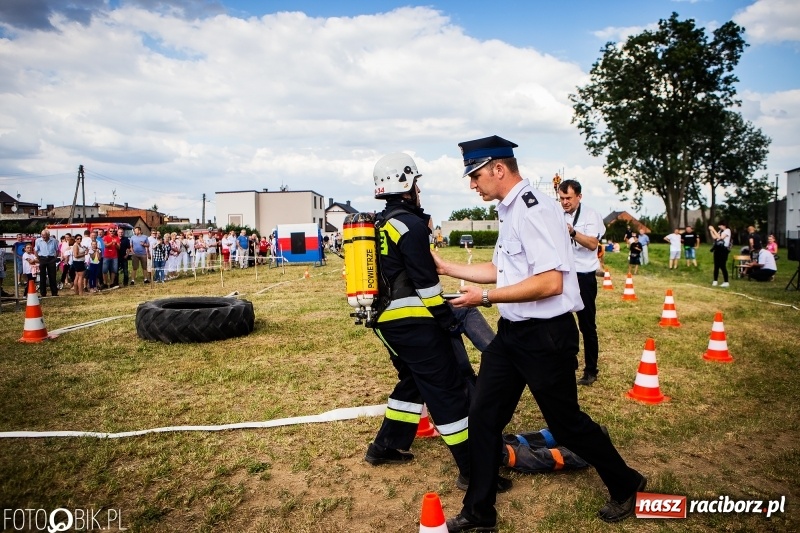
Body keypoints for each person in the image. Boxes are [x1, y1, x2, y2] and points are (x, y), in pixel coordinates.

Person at [434, 135, 645, 531]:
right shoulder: (509, 210)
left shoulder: (534, 209)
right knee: (481, 416)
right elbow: (505, 270)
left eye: (475, 175)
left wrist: (486, 298)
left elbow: (549, 282)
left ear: (499, 169)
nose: (472, 184)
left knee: (566, 425)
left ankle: (627, 483)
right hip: (513, 334)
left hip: (546, 337)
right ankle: (480, 512)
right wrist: (448, 268)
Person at [363, 152, 473, 493]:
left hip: (385, 320)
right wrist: (446, 319)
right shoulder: (409, 225)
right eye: (416, 183)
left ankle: (385, 447)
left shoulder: (380, 224)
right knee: (446, 389)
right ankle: (473, 470)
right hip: (413, 321)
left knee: (412, 380)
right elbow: (425, 282)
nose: (419, 190)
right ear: (406, 183)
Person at [558, 179, 605, 386]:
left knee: (587, 325)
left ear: (579, 196)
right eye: (561, 198)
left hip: (584, 276)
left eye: (568, 198)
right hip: (564, 274)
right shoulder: (556, 213)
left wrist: (573, 232)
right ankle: (567, 365)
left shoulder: (591, 215)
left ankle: (591, 370)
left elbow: (593, 243)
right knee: (561, 322)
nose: (565, 202)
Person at [34, 229, 59, 297]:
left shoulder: (53, 240)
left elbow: (57, 250)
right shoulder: (38, 240)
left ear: (48, 235)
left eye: (45, 236)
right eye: (42, 236)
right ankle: (43, 293)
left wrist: (55, 258)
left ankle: (54, 292)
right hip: (42, 258)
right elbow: (36, 250)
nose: (43, 237)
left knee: (52, 276)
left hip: (51, 258)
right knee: (42, 276)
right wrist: (38, 258)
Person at [709, 222, 732, 287]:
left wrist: (713, 229)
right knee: (716, 266)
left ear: (724, 225)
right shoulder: (720, 231)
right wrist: (711, 231)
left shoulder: (727, 230)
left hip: (723, 250)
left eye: (720, 225)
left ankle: (726, 281)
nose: (719, 227)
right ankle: (715, 280)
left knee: (722, 265)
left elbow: (721, 237)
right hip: (717, 249)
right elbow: (715, 237)